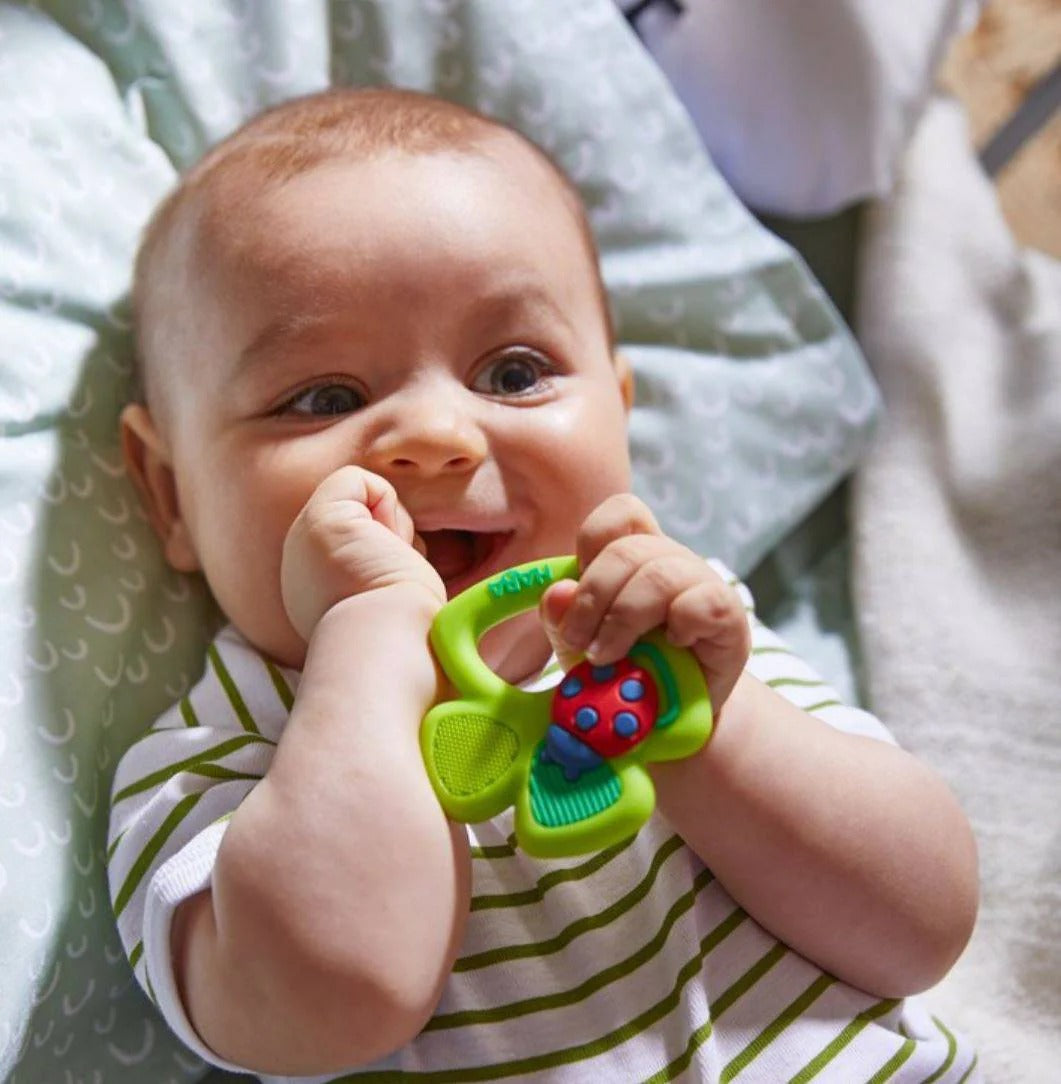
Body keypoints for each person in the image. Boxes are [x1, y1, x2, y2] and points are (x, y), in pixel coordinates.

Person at [107, 86, 980, 1082]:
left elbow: (922, 926)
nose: (436, 436)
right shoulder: (202, 761)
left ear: (615, 411)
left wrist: (695, 722)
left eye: (513, 373)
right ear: (171, 494)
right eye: (323, 397)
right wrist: (369, 636)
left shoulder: (688, 632)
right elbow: (333, 994)